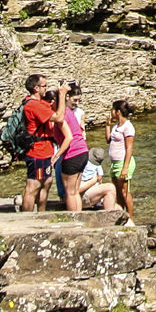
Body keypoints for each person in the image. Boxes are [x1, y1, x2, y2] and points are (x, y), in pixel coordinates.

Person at [17, 75, 70, 214]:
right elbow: (58, 117)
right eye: (44, 86)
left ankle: (41, 214)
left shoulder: (40, 103)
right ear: (36, 88)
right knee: (33, 186)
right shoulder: (34, 105)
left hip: (45, 151)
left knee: (46, 183)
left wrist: (60, 94)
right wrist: (63, 95)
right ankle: (25, 219)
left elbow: (55, 108)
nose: (46, 89)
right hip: (37, 152)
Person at [56, 81, 88, 213]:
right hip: (83, 152)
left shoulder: (63, 114)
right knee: (75, 191)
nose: (76, 103)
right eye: (75, 100)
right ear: (67, 98)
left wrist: (57, 155)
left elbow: (69, 138)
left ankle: (74, 220)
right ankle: (79, 217)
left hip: (73, 153)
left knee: (69, 192)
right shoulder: (70, 112)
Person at [107, 99, 137, 222]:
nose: (111, 112)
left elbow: (129, 148)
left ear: (118, 112)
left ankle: (130, 218)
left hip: (123, 163)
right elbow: (108, 140)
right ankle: (121, 216)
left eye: (113, 110)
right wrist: (107, 125)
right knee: (117, 192)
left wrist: (125, 167)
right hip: (114, 163)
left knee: (124, 192)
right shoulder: (116, 126)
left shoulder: (128, 127)